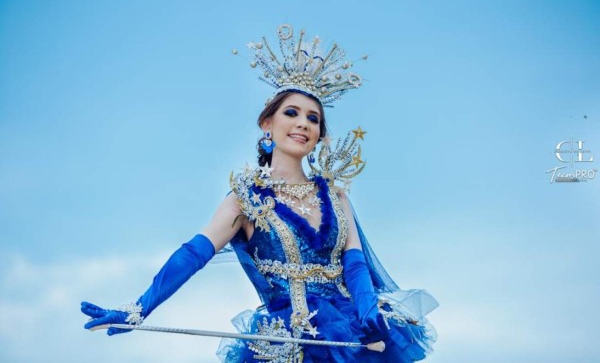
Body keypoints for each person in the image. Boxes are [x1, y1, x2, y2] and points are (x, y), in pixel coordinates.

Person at [81, 24, 438, 362]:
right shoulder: (246, 198)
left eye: (313, 119)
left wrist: (367, 309)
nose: (303, 123)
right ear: (267, 124)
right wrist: (141, 307)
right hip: (286, 343)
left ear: (319, 135)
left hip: (354, 336)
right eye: (292, 113)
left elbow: (355, 263)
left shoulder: (335, 194)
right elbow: (193, 253)